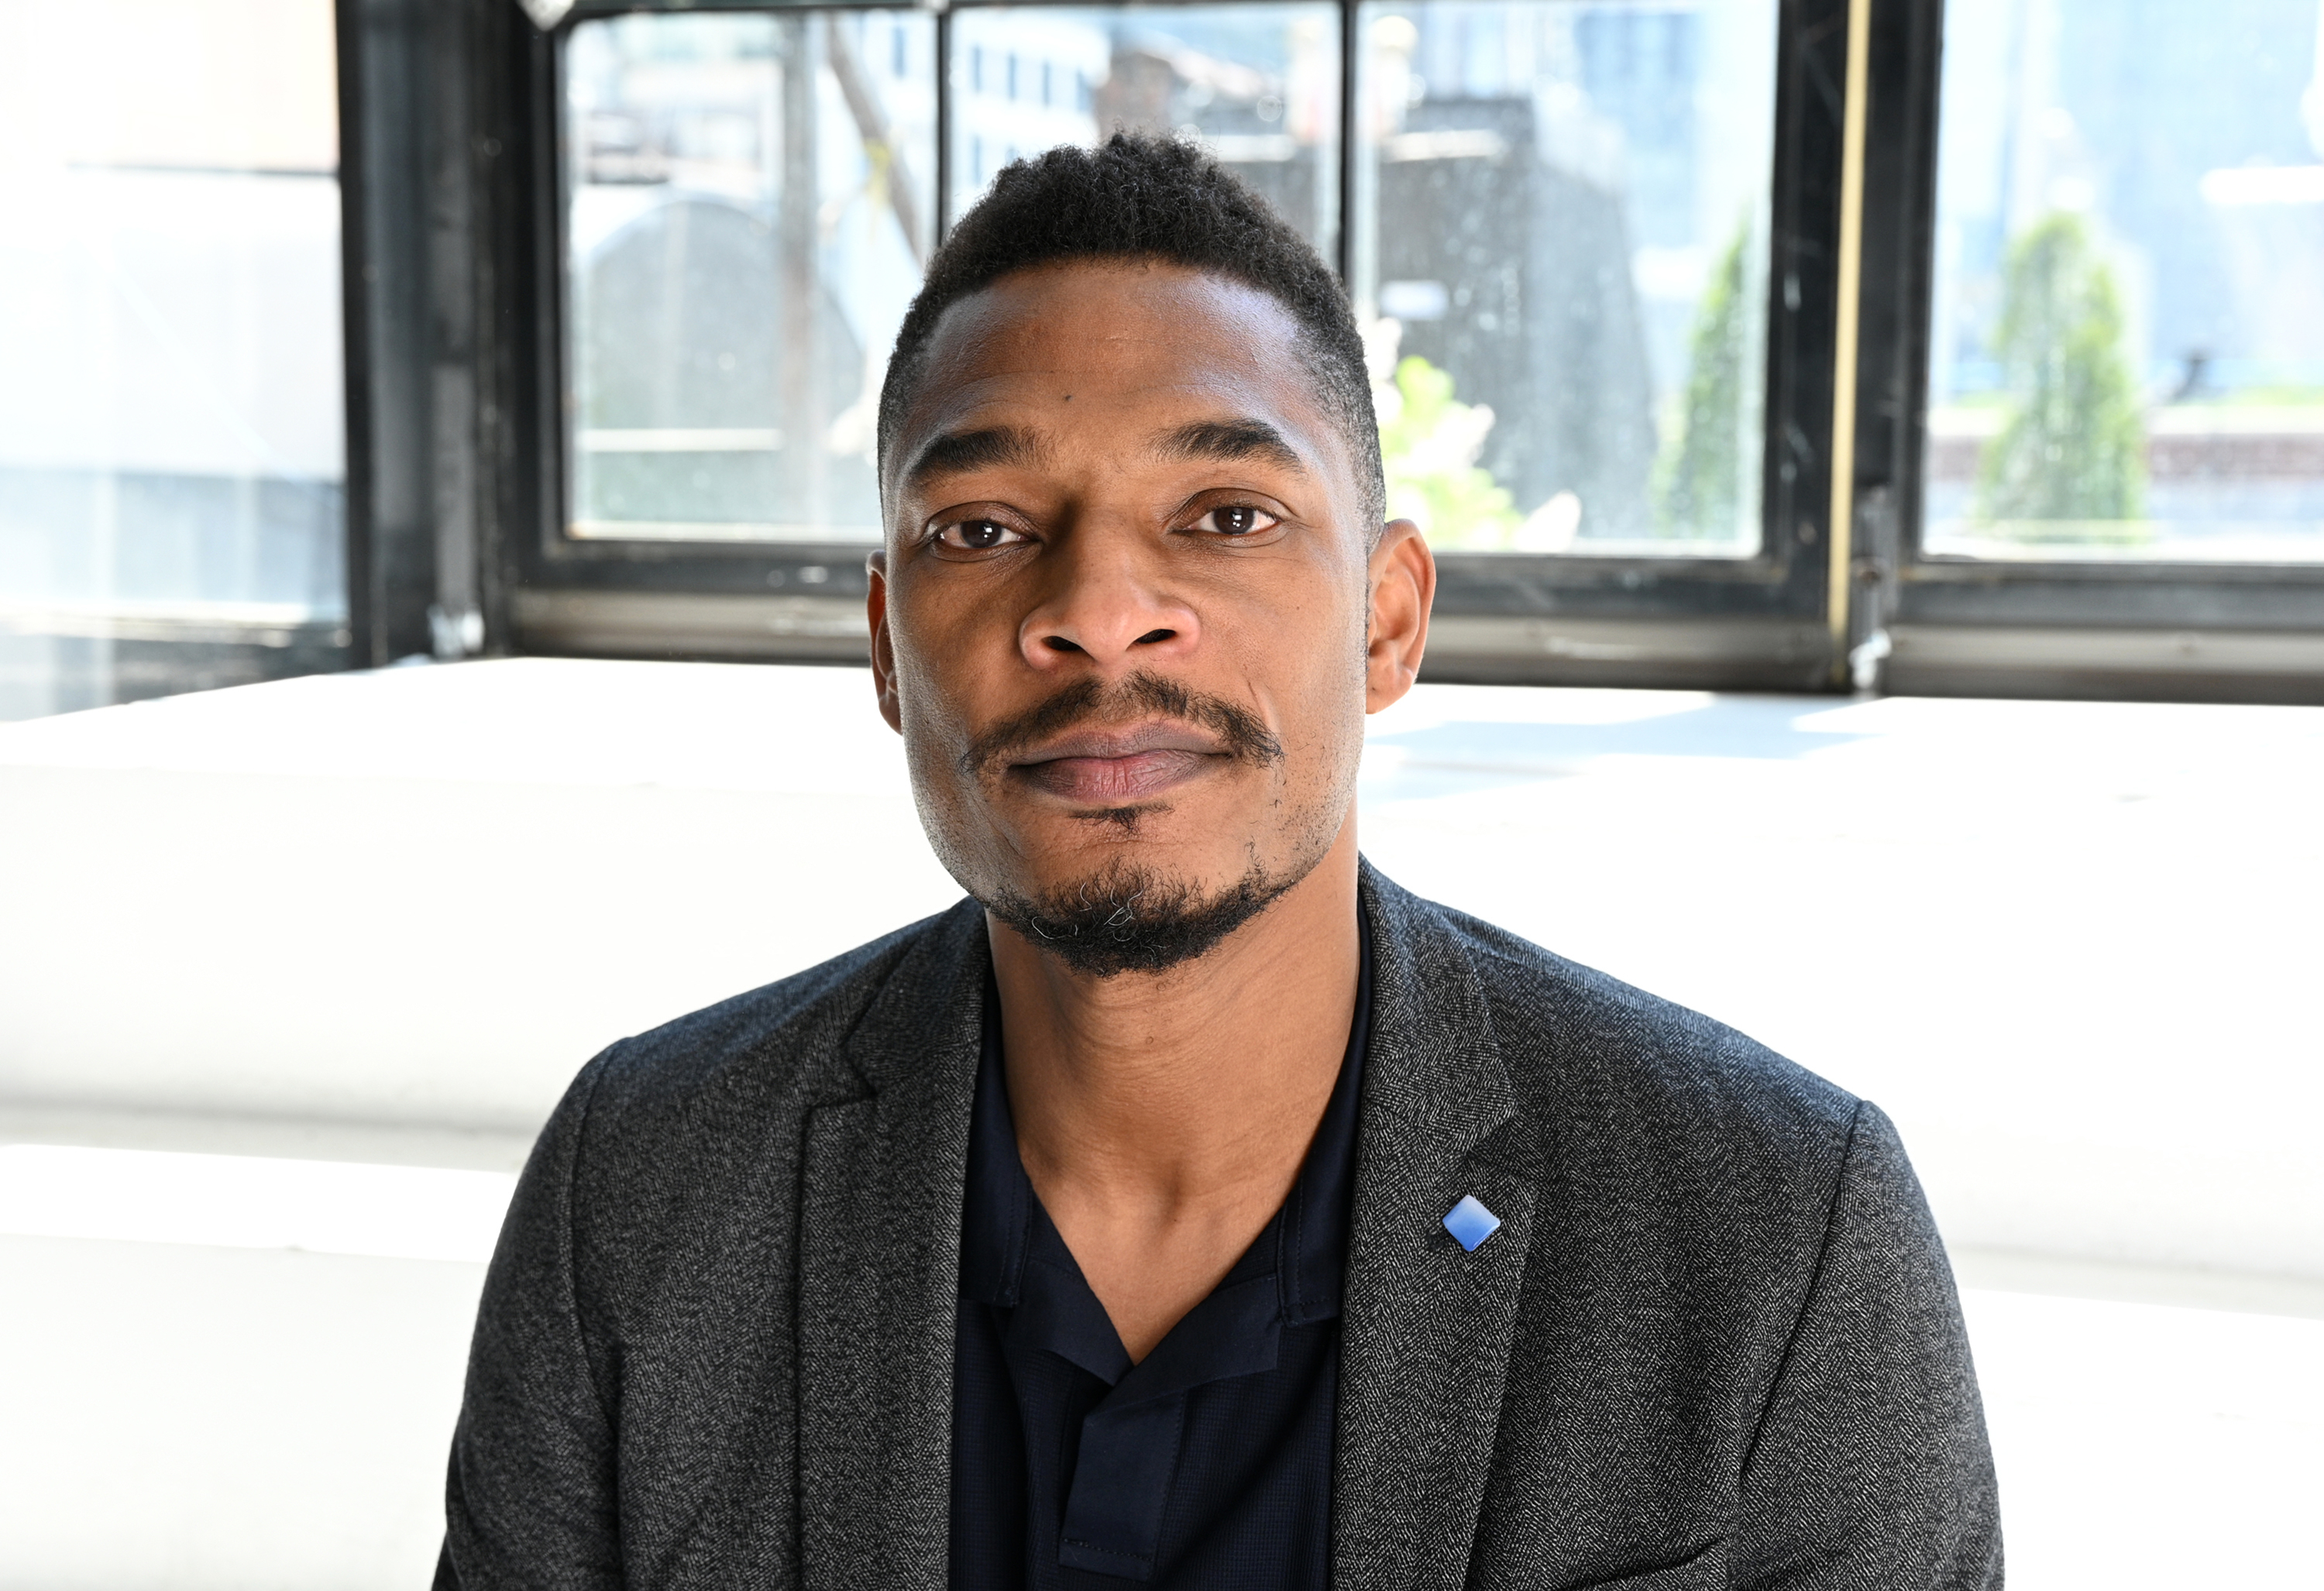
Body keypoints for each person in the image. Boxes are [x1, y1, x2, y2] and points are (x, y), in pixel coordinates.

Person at [436, 135, 2000, 1590]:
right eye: (982, 528)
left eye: (1228, 512)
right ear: (888, 648)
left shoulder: (1778, 1233)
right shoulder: (642, 1186)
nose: (1100, 612)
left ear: (1388, 618)